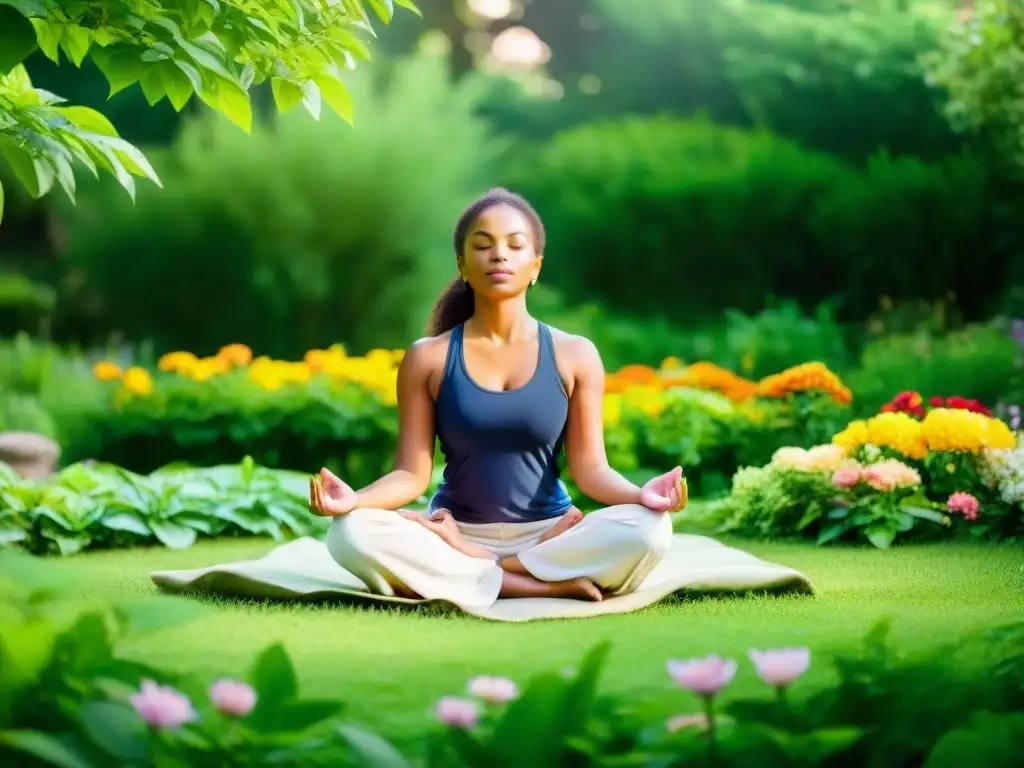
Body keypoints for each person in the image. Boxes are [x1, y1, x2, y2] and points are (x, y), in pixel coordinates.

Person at [308, 188, 686, 609]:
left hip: (550, 533)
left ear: (535, 266)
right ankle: (530, 582)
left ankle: (485, 569)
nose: (499, 255)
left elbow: (591, 470)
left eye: (515, 245)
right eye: (483, 246)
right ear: (462, 266)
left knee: (649, 529)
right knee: (349, 533)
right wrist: (355, 501)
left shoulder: (574, 354)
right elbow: (411, 475)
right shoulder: (427, 357)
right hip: (453, 531)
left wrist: (641, 496)